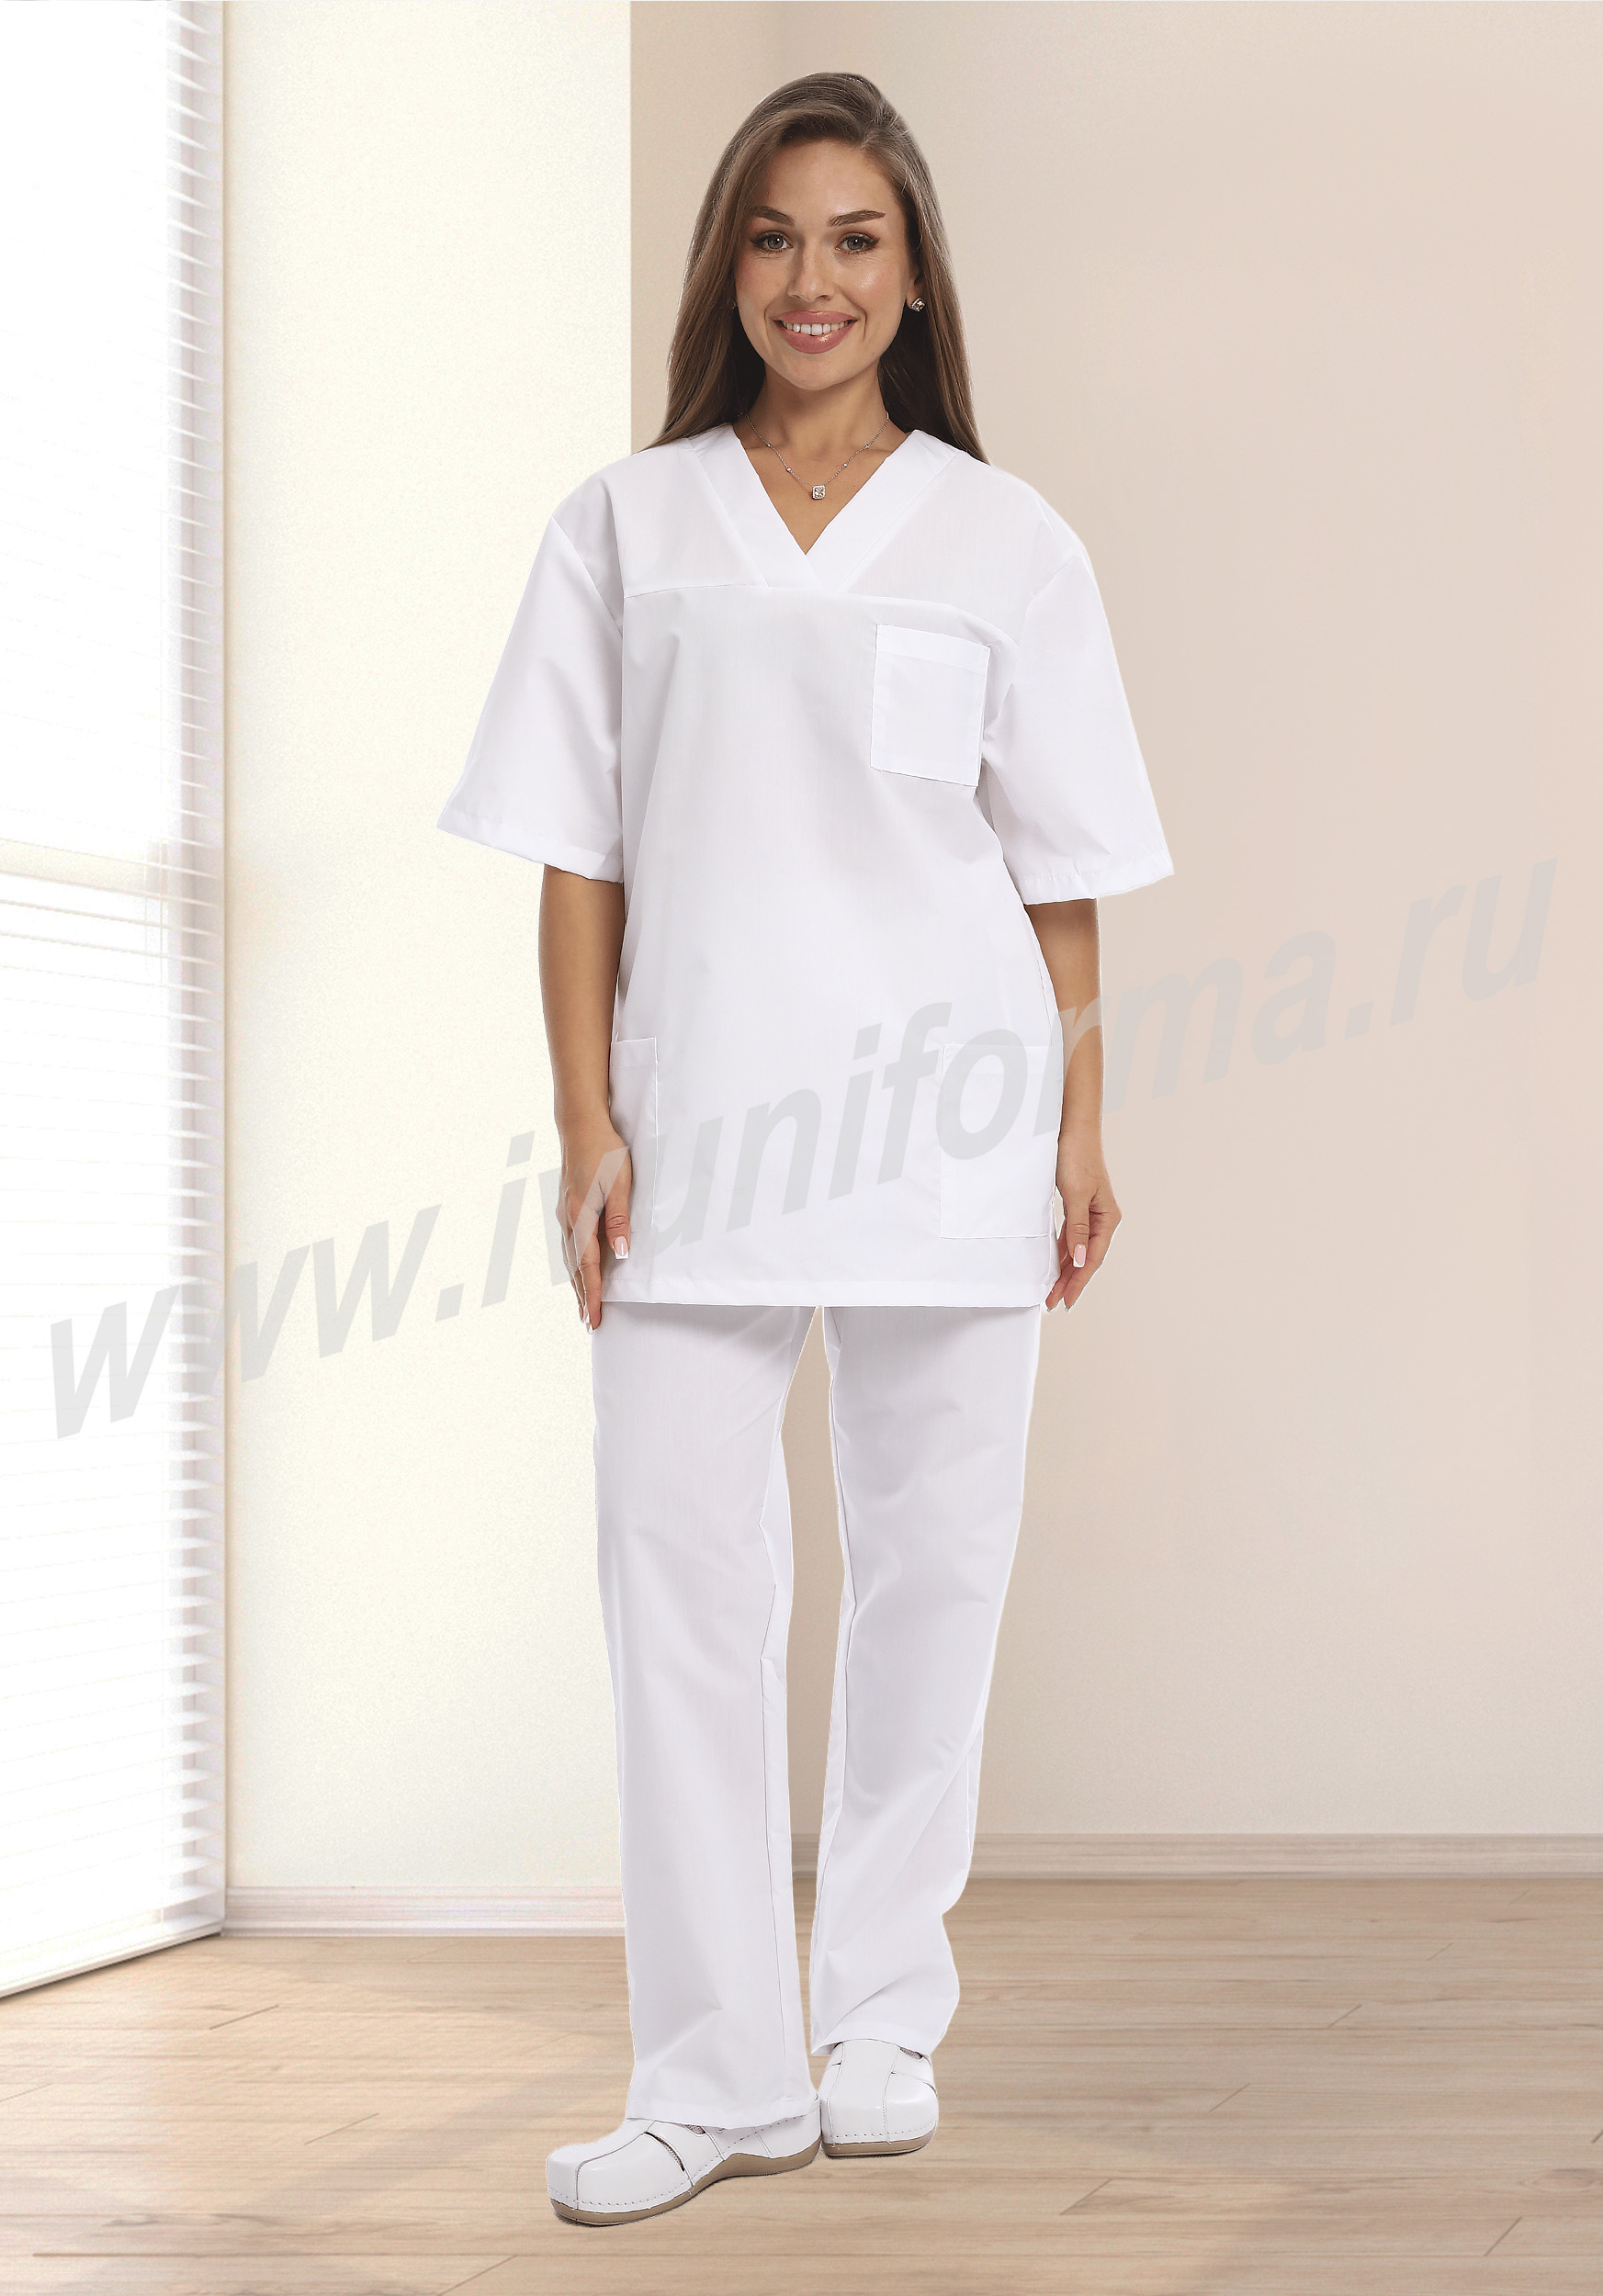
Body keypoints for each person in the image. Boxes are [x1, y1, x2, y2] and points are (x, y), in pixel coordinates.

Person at [435, 72, 1173, 2228]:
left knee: (933, 1569)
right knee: (675, 1580)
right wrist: (584, 1117)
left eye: (854, 238)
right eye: (771, 236)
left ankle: (876, 2020)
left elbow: (1054, 871)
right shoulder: (627, 523)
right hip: (695, 1128)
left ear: (914, 274)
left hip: (955, 1117)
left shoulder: (1006, 540)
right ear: (726, 267)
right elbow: (574, 849)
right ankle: (713, 2071)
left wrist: (1081, 1119)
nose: (810, 279)